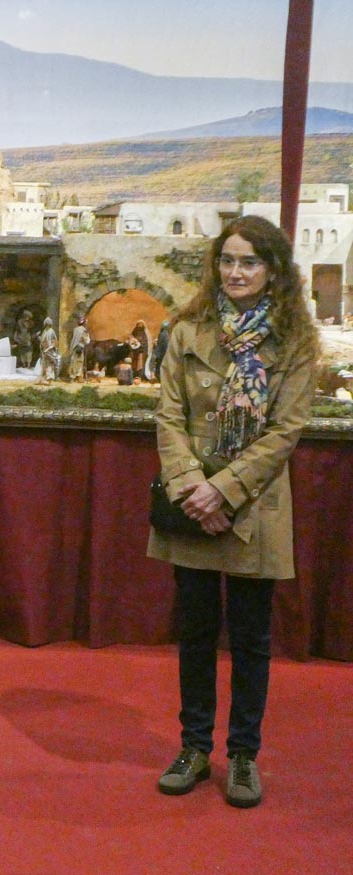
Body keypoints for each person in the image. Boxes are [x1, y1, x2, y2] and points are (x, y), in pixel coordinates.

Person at [149, 215, 318, 809]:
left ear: (273, 271)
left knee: (250, 637)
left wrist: (224, 491)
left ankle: (243, 755)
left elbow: (286, 431)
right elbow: (169, 419)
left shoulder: (295, 341)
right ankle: (194, 747)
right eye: (228, 260)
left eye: (249, 262)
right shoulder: (188, 328)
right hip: (192, 504)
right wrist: (196, 488)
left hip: (255, 507)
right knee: (194, 632)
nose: (237, 272)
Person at [36, 316, 60, 384]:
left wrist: (51, 347)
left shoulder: (51, 331)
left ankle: (49, 379)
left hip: (50, 351)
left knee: (50, 365)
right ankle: (44, 379)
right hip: (44, 351)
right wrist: (38, 337)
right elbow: (42, 341)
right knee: (44, 365)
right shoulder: (44, 331)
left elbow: (54, 341)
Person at [67, 317, 90, 382]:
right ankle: (74, 377)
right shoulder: (84, 330)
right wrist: (87, 337)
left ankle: (77, 377)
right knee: (78, 363)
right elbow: (87, 341)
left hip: (74, 348)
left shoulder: (75, 329)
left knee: (73, 362)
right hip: (80, 348)